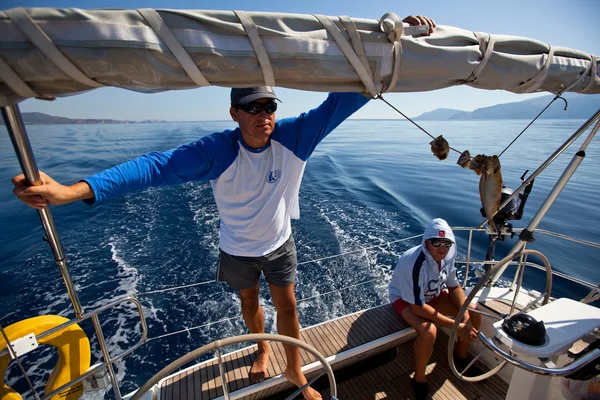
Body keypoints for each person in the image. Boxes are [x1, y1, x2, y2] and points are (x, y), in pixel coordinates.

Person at [12, 16, 436, 399]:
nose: (262, 114)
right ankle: (261, 349)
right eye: (252, 107)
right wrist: (73, 191)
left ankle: (295, 371)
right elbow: (153, 168)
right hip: (235, 247)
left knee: (287, 306)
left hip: (279, 243)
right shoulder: (217, 151)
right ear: (234, 113)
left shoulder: (297, 136)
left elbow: (350, 95)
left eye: (269, 105)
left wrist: (395, 44)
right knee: (250, 304)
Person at [388, 218, 482, 400]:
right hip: (406, 300)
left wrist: (465, 314)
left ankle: (461, 356)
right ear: (426, 243)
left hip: (433, 295)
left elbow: (454, 287)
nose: (442, 247)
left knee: (474, 311)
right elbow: (417, 308)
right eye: (436, 242)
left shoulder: (447, 257)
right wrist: (457, 325)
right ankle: (419, 380)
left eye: (446, 243)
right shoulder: (414, 263)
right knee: (429, 331)